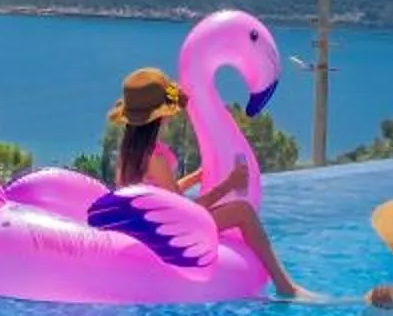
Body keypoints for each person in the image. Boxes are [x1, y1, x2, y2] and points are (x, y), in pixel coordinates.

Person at [107, 67, 315, 300]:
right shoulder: (155, 158)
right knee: (242, 212)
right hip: (162, 233)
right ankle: (286, 286)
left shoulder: (130, 154)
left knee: (235, 211)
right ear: (158, 117)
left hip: (145, 226)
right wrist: (229, 184)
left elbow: (163, 194)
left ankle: (285, 285)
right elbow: (183, 211)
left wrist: (196, 177)